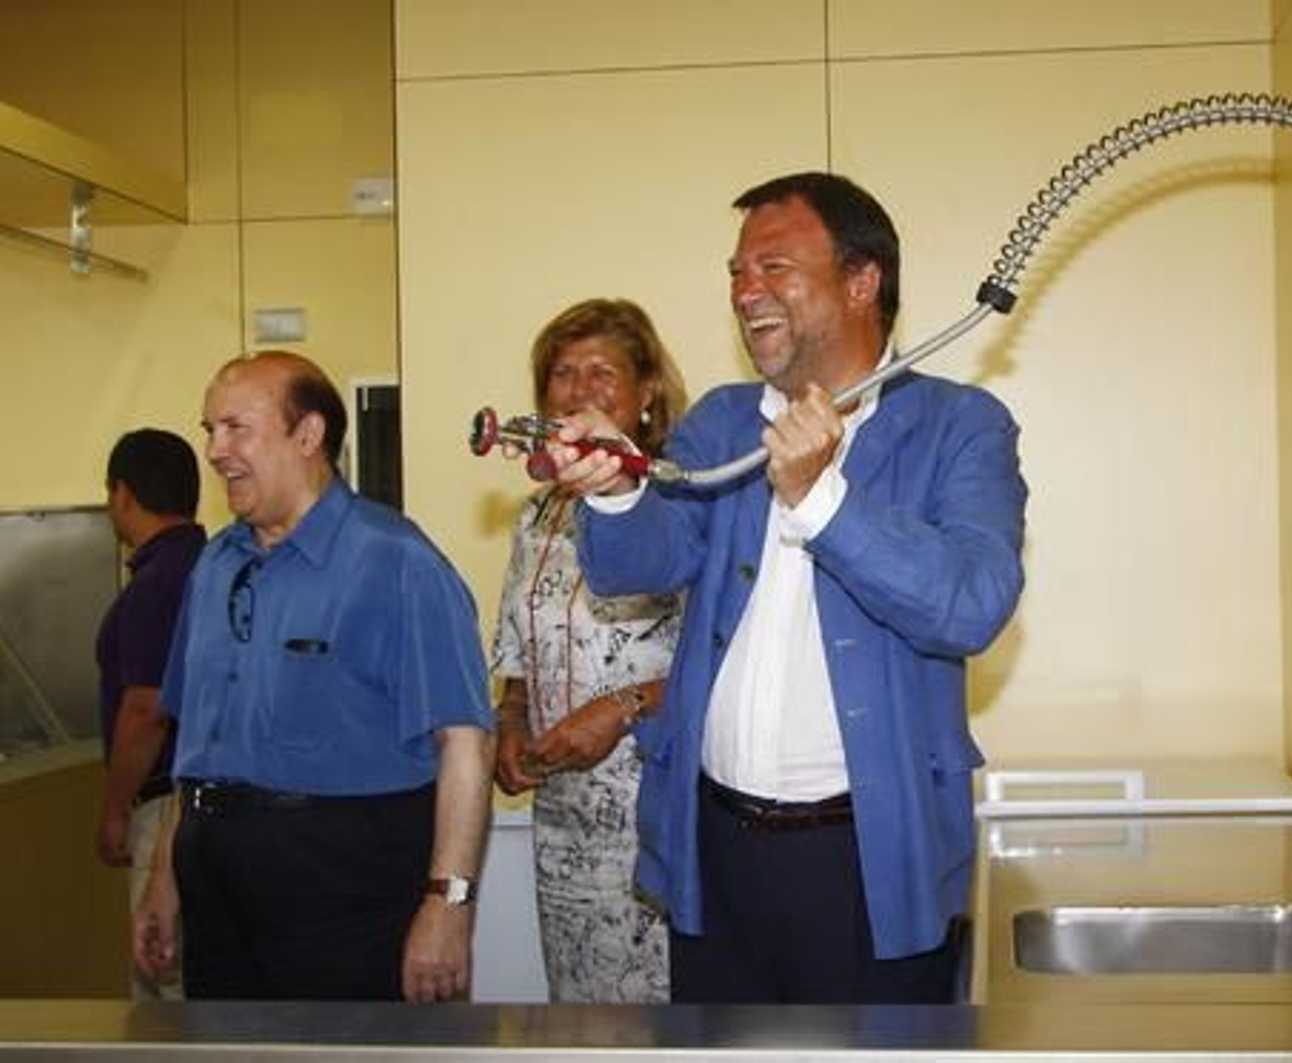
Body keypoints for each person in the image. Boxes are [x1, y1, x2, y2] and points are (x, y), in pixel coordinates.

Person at [548, 172, 1028, 1003]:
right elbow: (639, 565)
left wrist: (822, 499)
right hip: (715, 852)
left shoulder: (961, 427)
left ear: (862, 281)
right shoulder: (724, 422)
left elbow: (971, 604)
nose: (745, 292)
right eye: (737, 272)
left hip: (870, 862)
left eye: (774, 267)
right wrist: (616, 487)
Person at [131, 350, 494, 1003]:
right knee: (226, 1047)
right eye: (210, 429)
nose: (214, 451)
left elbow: (466, 743)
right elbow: (197, 742)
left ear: (308, 434)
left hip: (345, 882)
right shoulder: (215, 565)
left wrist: (449, 902)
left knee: (348, 1046)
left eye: (236, 428)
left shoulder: (397, 562)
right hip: (215, 880)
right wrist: (166, 875)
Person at [490, 298, 687, 1003]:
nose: (578, 390)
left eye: (602, 372)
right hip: (562, 828)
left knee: (659, 1033)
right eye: (563, 373)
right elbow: (518, 654)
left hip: (658, 820)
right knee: (579, 1029)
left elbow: (728, 663)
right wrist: (511, 722)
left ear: (647, 391)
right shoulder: (539, 515)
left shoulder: (682, 501)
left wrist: (621, 708)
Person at [95, 428, 205, 1000]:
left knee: (161, 981)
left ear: (123, 493)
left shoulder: (156, 584)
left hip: (165, 802)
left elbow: (146, 710)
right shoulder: (214, 565)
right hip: (211, 806)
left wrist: (115, 809)